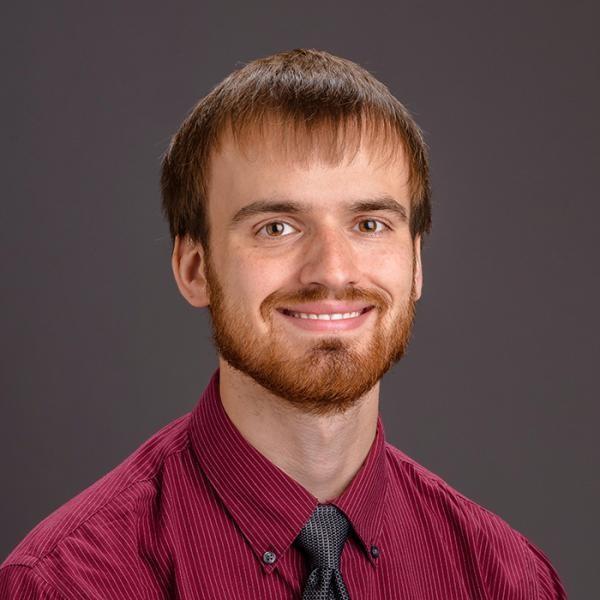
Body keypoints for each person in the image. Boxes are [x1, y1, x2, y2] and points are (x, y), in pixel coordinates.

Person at [0, 48, 566, 599]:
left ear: (416, 264)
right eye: (276, 227)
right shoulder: (62, 585)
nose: (333, 271)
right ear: (195, 269)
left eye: (369, 224)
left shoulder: (507, 581)